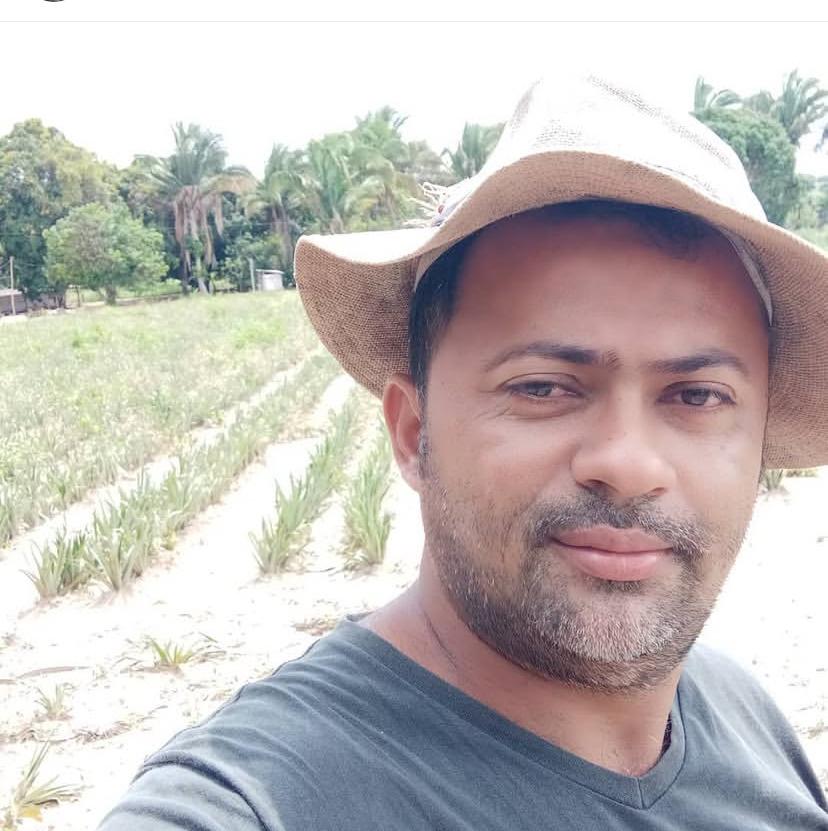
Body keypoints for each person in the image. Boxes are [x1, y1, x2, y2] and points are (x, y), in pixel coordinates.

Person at [99, 75, 828, 829]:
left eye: (698, 395)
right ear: (413, 434)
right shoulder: (262, 797)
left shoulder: (745, 716)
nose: (629, 463)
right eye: (543, 387)